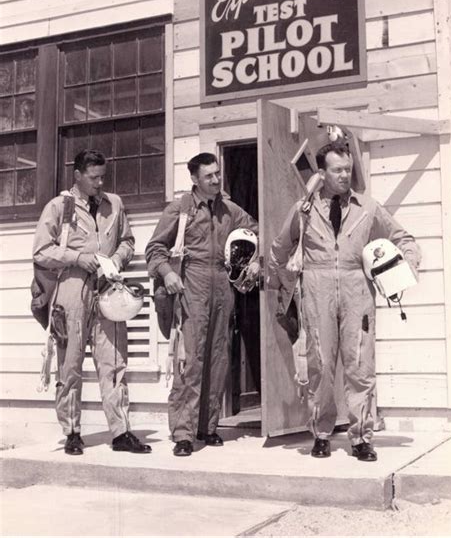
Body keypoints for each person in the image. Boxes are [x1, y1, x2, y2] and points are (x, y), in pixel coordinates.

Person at [268, 139, 421, 462]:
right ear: (322, 174)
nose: (344, 176)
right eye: (337, 170)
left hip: (357, 292)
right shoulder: (304, 210)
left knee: (360, 367)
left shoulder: (368, 208)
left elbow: (403, 238)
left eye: (348, 170)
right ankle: (321, 434)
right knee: (320, 366)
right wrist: (288, 287)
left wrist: (406, 266)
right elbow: (280, 250)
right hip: (317, 292)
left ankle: (362, 438)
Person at [33, 149, 151, 456]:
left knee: (113, 362)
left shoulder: (115, 204)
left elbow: (127, 240)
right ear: (78, 176)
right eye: (93, 177)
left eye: (102, 177)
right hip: (71, 290)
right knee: (69, 364)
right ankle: (72, 431)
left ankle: (121, 432)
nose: (100, 183)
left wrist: (116, 259)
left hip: (108, 291)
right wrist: (77, 258)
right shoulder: (59, 207)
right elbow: (41, 251)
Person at [145, 152, 259, 457]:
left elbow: (256, 232)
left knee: (218, 358)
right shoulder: (180, 210)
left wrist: (253, 261)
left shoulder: (230, 210)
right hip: (190, 285)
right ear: (194, 179)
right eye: (209, 176)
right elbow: (154, 248)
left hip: (223, 285)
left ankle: (207, 427)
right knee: (190, 360)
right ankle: (183, 432)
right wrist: (167, 272)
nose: (216, 179)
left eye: (217, 174)